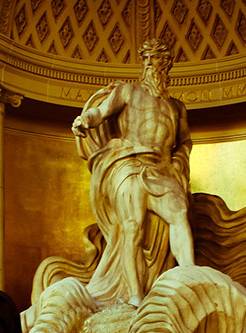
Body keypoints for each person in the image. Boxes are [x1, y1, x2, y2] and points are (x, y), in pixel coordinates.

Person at [71, 38, 194, 306]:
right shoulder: (127, 91)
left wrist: (179, 162)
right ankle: (135, 295)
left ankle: (191, 280)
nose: (150, 64)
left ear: (166, 64)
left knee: (179, 213)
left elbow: (184, 141)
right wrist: (85, 120)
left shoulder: (176, 107)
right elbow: (101, 112)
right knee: (132, 227)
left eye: (155, 58)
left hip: (162, 168)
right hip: (129, 163)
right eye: (146, 59)